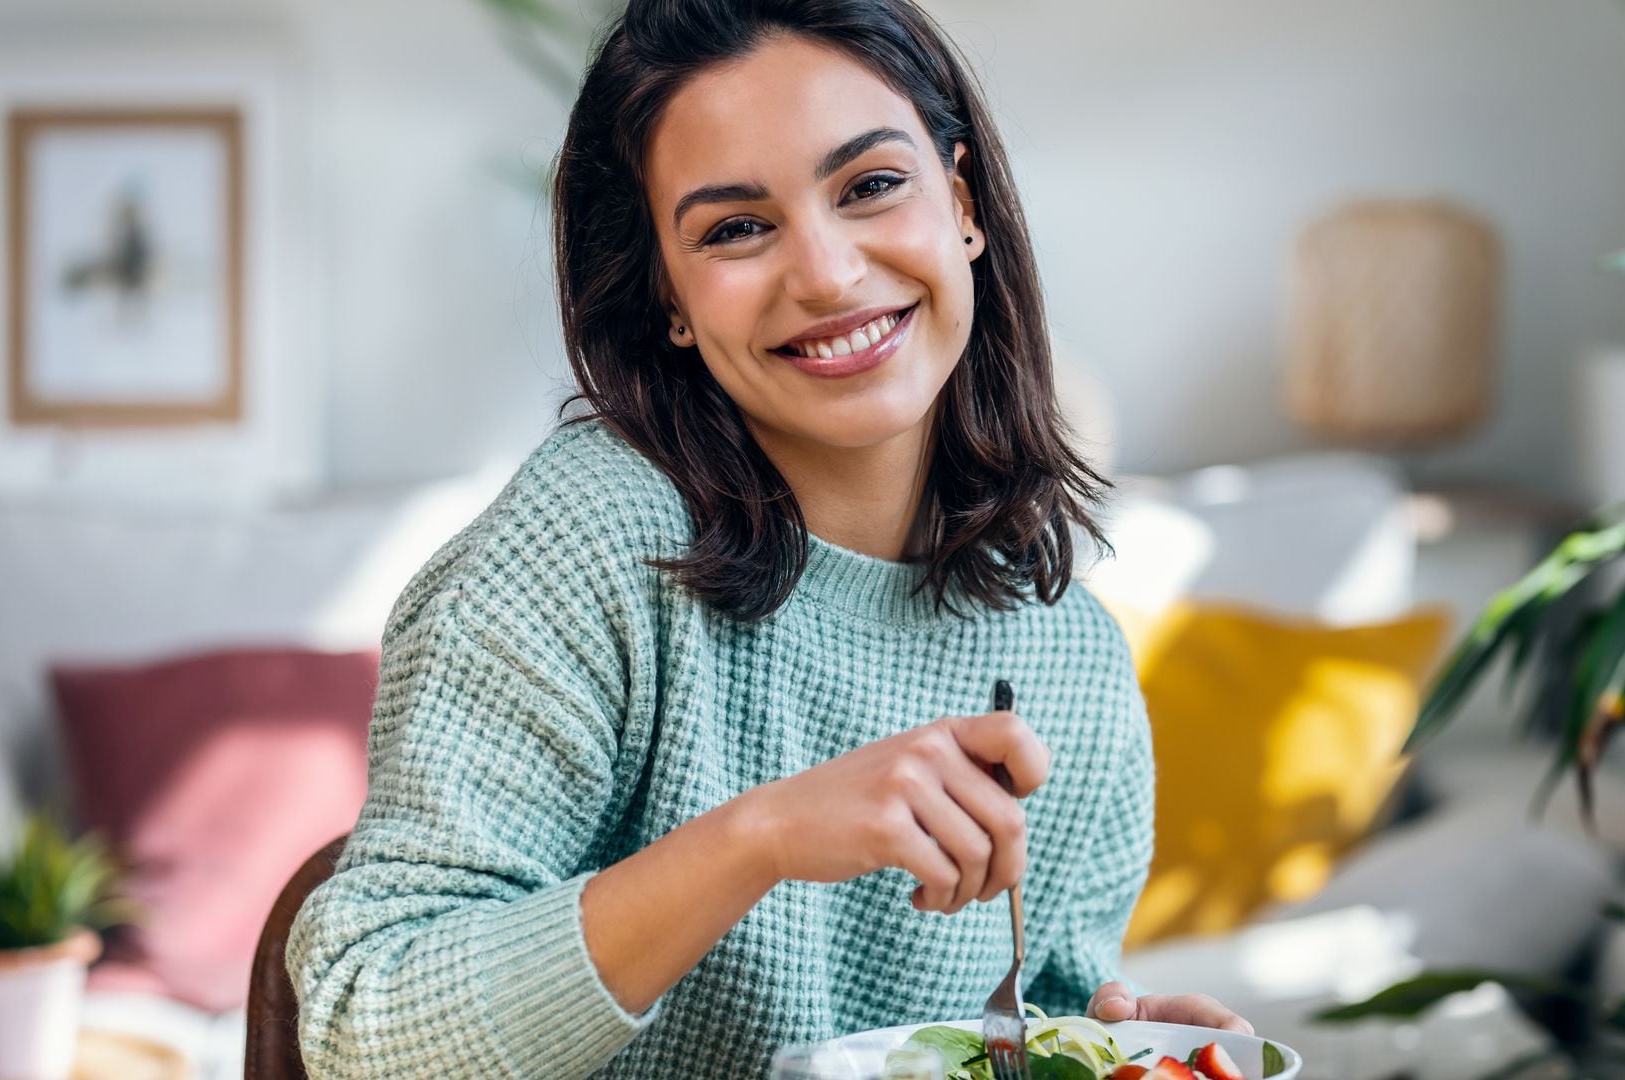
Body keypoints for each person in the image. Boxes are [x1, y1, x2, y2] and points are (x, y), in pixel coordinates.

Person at [286, 1, 1250, 1075]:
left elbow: (1036, 1023)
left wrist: (1122, 1048)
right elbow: (364, 1034)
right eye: (736, 228)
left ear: (963, 203)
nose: (829, 275)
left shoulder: (1071, 657)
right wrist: (761, 838)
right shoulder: (588, 543)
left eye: (872, 186)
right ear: (670, 299)